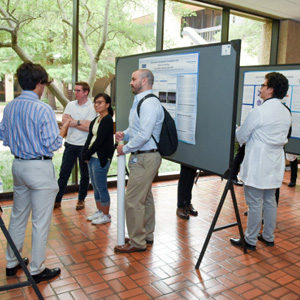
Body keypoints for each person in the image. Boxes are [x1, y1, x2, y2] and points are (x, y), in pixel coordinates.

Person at [0, 62, 69, 283]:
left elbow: (4, 136)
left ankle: (12, 262)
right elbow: (52, 144)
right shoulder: (43, 109)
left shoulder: (10, 106)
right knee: (40, 221)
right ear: (39, 83)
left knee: (18, 215)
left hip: (19, 166)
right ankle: (37, 269)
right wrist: (63, 130)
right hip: (39, 168)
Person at [230, 72, 291, 251]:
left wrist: (237, 130)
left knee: (255, 202)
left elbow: (241, 136)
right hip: (274, 163)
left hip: (259, 163)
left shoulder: (259, 112)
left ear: (270, 89)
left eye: (263, 85)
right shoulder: (285, 112)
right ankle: (268, 236)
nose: (261, 89)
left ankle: (249, 240)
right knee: (270, 200)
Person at [114, 69, 164, 253]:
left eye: (133, 79)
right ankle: (145, 235)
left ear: (144, 81)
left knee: (133, 200)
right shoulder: (141, 101)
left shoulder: (149, 103)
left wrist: (124, 148)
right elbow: (138, 129)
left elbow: (144, 134)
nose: (130, 82)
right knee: (145, 198)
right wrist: (125, 134)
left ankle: (137, 242)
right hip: (142, 156)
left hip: (145, 157)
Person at [54, 82, 97, 210]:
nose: (75, 93)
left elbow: (90, 127)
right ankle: (57, 200)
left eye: (78, 90)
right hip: (70, 145)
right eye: (75, 90)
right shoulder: (70, 104)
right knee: (64, 173)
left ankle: (81, 200)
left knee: (84, 175)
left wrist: (73, 122)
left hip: (85, 146)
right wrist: (80, 123)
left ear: (85, 92)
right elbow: (64, 121)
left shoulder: (92, 107)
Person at [81, 93, 114, 225]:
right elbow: (90, 138)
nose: (97, 104)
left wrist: (88, 154)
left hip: (100, 158)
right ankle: (100, 211)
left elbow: (99, 141)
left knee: (101, 187)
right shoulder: (97, 119)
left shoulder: (107, 120)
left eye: (100, 102)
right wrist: (85, 153)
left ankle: (106, 215)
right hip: (92, 157)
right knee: (95, 186)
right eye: (95, 102)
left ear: (107, 105)